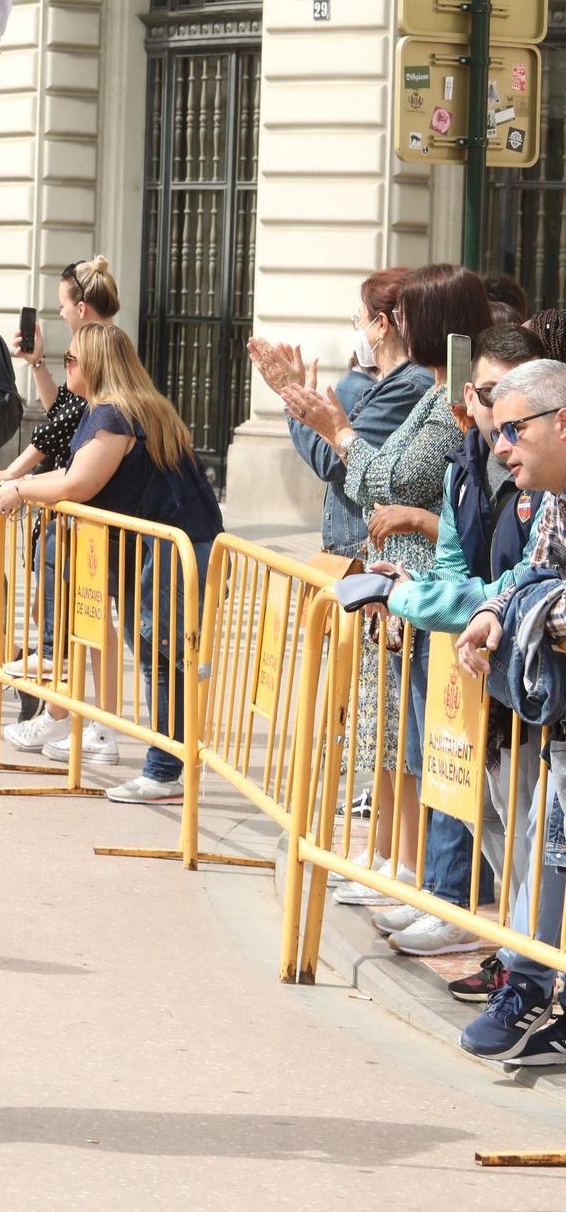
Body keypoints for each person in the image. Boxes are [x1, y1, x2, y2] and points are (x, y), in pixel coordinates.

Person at [281, 264, 488, 912]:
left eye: (402, 316)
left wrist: (337, 427)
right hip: (394, 589)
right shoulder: (431, 393)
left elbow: (392, 478)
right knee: (390, 731)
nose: (390, 327)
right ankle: (396, 861)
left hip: (426, 589)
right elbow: (374, 478)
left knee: (422, 740)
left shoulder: (448, 400)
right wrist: (324, 421)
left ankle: (425, 875)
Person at [0, 321, 225, 803]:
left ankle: (164, 772)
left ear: (94, 365)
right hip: (169, 545)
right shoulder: (131, 409)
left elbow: (77, 484)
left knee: (163, 661)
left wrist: (18, 488)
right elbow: (74, 473)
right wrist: (12, 478)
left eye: (70, 360)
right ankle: (166, 765)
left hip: (171, 548)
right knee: (161, 659)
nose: (65, 366)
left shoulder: (116, 414)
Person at [368, 325, 542, 962]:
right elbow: (460, 580)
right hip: (483, 680)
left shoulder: (540, 481)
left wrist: (407, 599)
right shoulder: (465, 462)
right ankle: (512, 960)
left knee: (532, 838)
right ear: (469, 393)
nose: (504, 414)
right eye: (494, 393)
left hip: (530, 686)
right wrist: (415, 591)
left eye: (520, 399)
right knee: (494, 826)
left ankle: (523, 966)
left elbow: (511, 591)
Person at [454, 358, 566, 1064]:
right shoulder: (556, 495)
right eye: (495, 432)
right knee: (552, 852)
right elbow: (536, 565)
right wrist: (498, 608)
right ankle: (527, 980)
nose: (500, 447)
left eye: (512, 430)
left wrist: (540, 614)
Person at [0, 256, 124, 752]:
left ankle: (88, 719)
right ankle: (71, 713)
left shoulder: (102, 356)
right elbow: (62, 417)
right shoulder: (93, 356)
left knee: (89, 620)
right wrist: (41, 366)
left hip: (92, 513)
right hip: (79, 510)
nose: (60, 313)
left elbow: (55, 433)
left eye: (63, 305)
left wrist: (14, 478)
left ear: (83, 307)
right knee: (82, 619)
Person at [250, 268, 431, 557]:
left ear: (382, 324)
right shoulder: (394, 382)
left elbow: (332, 460)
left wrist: (296, 399)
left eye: (359, 321)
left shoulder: (408, 387)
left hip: (364, 549)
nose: (359, 331)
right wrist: (300, 398)